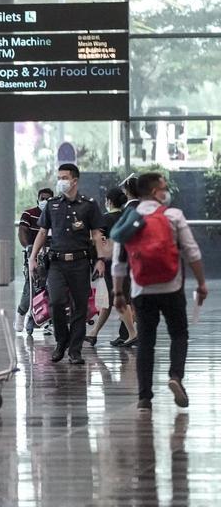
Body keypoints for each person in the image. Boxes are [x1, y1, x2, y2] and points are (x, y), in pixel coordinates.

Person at [112, 172, 208, 410]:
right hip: (172, 287)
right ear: (155, 192)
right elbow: (192, 251)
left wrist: (117, 293)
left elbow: (119, 261)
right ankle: (175, 376)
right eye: (164, 187)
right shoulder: (173, 215)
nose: (167, 191)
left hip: (141, 289)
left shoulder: (129, 217)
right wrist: (201, 283)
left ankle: (145, 396)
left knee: (146, 341)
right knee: (179, 333)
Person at [28, 163, 109, 365]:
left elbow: (97, 234)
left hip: (80, 262)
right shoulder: (53, 205)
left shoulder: (88, 205)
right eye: (59, 177)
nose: (60, 181)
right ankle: (61, 341)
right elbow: (42, 232)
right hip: (56, 263)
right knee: (55, 302)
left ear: (74, 180)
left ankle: (75, 350)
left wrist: (100, 259)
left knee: (80, 307)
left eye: (64, 177)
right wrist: (32, 257)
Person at [86, 186, 134, 347]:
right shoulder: (127, 217)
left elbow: (97, 241)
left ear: (109, 201)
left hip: (110, 263)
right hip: (127, 261)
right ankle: (93, 334)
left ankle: (133, 333)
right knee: (107, 301)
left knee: (118, 298)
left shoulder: (105, 219)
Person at [15, 187, 54, 333]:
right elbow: (22, 232)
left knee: (50, 288)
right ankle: (21, 313)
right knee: (31, 287)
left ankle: (46, 320)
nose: (45, 201)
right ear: (38, 199)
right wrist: (29, 248)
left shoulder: (54, 214)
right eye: (42, 198)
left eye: (48, 199)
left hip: (51, 255)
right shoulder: (29, 214)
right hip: (34, 255)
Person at [111, 174, 141, 348]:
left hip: (127, 261)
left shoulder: (127, 211)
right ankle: (129, 333)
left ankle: (132, 333)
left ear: (128, 192)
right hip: (142, 261)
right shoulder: (145, 209)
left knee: (121, 297)